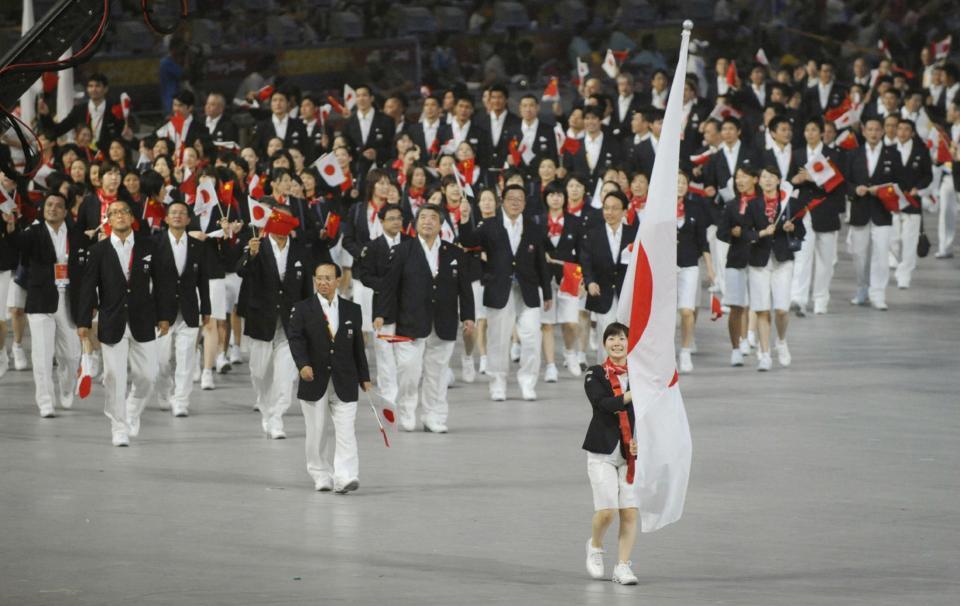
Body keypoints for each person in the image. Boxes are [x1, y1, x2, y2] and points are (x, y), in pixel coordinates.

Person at [375, 204, 475, 432]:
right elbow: (389, 287)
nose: (428, 221)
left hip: (444, 321)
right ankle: (407, 412)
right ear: (415, 223)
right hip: (409, 321)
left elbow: (465, 289)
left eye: (433, 218)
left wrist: (468, 317)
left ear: (441, 225)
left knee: (437, 374)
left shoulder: (454, 253)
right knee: (409, 370)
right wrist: (381, 315)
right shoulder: (403, 251)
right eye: (423, 217)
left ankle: (434, 416)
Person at [76, 199, 166, 446]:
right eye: (114, 212)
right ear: (107, 219)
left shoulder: (149, 246)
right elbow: (87, 288)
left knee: (148, 376)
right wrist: (83, 321)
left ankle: (132, 410)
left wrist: (164, 315)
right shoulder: (98, 251)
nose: (120, 216)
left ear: (131, 216)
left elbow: (162, 282)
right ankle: (118, 427)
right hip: (112, 319)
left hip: (144, 319)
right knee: (114, 376)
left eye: (124, 211)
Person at [458, 184, 552, 401]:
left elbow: (541, 262)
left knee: (531, 337)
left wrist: (547, 293)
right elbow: (468, 241)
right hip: (498, 288)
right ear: (502, 201)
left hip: (528, 290)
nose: (516, 203)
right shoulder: (489, 225)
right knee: (498, 339)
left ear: (525, 203)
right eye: (511, 199)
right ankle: (497, 382)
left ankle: (528, 381)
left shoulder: (533, 227)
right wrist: (464, 218)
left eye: (520, 199)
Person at [288, 262, 370, 493]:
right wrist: (302, 365)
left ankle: (345, 476)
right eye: (319, 278)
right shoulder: (302, 309)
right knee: (317, 431)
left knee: (346, 430)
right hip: (314, 379)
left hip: (345, 379)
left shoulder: (352, 310)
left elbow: (358, 348)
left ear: (338, 281)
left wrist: (364, 376)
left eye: (328, 278)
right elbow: (295, 339)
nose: (323, 282)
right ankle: (320, 473)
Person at [1, 193, 85, 416]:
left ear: (66, 212)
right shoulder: (34, 232)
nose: (53, 209)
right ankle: (45, 401)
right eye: (49, 205)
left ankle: (67, 387)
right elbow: (17, 243)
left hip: (68, 299)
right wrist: (10, 228)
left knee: (71, 355)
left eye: (58, 205)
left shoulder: (76, 234)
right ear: (43, 209)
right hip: (40, 299)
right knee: (42, 354)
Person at [236, 200, 314, 438]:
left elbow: (307, 290)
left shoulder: (301, 250)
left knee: (285, 375)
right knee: (259, 372)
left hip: (290, 323)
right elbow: (241, 270)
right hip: (261, 318)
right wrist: (251, 254)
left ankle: (277, 418)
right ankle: (265, 405)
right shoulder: (256, 245)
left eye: (286, 219)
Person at [582, 321, 639, 586]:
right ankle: (595, 545)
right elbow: (603, 404)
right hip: (602, 451)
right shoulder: (595, 374)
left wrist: (643, 442)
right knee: (607, 512)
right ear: (604, 343)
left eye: (622, 338)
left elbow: (652, 415)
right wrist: (632, 394)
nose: (617, 343)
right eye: (612, 338)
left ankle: (622, 566)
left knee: (628, 512)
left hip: (632, 453)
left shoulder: (641, 374)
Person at [153, 200, 211, 417]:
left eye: (182, 213)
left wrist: (206, 308)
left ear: (188, 219)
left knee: (186, 358)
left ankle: (181, 400)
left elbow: (203, 280)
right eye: (173, 212)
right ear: (166, 218)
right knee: (161, 360)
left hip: (188, 310)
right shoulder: (155, 244)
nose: (177, 215)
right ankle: (164, 392)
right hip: (162, 312)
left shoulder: (198, 246)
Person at [744, 167, 805, 370]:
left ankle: (781, 340)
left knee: (781, 309)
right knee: (762, 309)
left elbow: (802, 229)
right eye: (764, 177)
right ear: (758, 181)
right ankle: (764, 354)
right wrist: (761, 233)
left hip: (783, 260)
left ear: (778, 180)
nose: (768, 181)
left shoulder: (789, 203)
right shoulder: (752, 205)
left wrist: (792, 227)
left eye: (772, 177)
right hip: (759, 261)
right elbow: (746, 233)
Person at [356, 204, 409, 406]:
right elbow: (365, 276)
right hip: (381, 305)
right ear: (382, 221)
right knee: (384, 351)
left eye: (399, 218)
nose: (396, 222)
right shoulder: (373, 247)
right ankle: (389, 393)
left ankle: (403, 390)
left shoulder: (411, 243)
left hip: (406, 305)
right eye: (392, 218)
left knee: (403, 351)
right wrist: (387, 286)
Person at [846, 117, 899, 310]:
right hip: (860, 210)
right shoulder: (853, 154)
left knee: (881, 254)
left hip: (882, 211)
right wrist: (854, 190)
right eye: (870, 129)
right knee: (859, 255)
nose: (874, 133)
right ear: (863, 131)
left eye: (877, 129)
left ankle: (878, 293)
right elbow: (845, 182)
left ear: (883, 131)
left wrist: (883, 190)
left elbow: (898, 182)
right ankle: (862, 289)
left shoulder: (892, 154)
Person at [580, 191, 638, 363]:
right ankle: (606, 376)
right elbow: (586, 261)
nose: (609, 212)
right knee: (607, 334)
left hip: (626, 294)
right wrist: (590, 282)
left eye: (614, 208)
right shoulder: (592, 234)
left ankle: (626, 376)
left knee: (626, 335)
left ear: (624, 211)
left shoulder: (633, 234)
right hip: (602, 292)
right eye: (606, 208)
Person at [717, 166, 760, 366]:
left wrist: (742, 232)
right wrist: (732, 233)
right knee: (736, 305)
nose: (740, 181)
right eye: (737, 177)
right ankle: (736, 347)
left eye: (745, 176)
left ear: (755, 179)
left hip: (759, 259)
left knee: (758, 304)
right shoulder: (731, 205)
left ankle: (754, 339)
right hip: (735, 259)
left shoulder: (762, 203)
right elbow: (721, 232)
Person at [676, 171, 714, 373]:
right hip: (666, 267)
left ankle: (685, 350)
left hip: (689, 265)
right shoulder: (660, 209)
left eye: (683, 182)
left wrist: (709, 268)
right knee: (666, 313)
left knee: (687, 310)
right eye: (676, 182)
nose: (680, 185)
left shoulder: (695, 208)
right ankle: (667, 354)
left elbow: (703, 241)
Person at [890, 118, 932, 289]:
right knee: (893, 239)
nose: (902, 132)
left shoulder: (921, 152)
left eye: (906, 129)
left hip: (913, 202)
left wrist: (918, 188)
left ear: (912, 133)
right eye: (900, 128)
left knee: (909, 240)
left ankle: (904, 275)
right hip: (892, 202)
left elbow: (928, 175)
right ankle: (897, 262)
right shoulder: (889, 151)